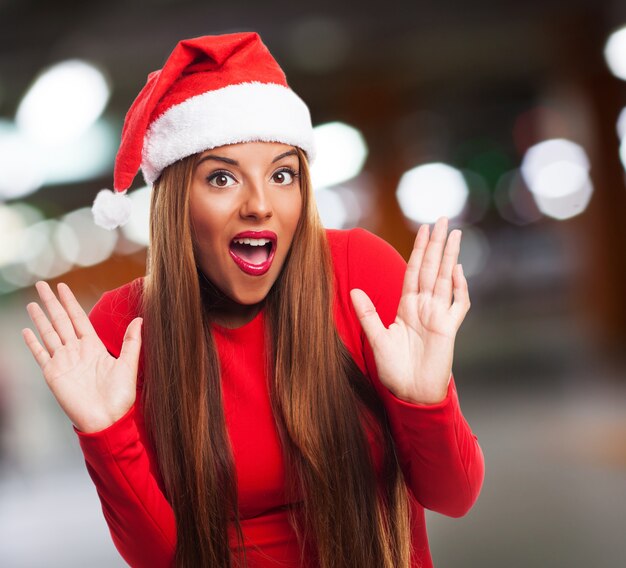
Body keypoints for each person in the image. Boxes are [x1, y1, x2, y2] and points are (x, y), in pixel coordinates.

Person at [21, 32, 484, 568]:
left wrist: (425, 400)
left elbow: (454, 496)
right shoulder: (127, 327)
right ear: (176, 204)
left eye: (282, 174)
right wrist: (107, 435)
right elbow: (158, 557)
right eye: (222, 178)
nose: (260, 205)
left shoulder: (361, 271)